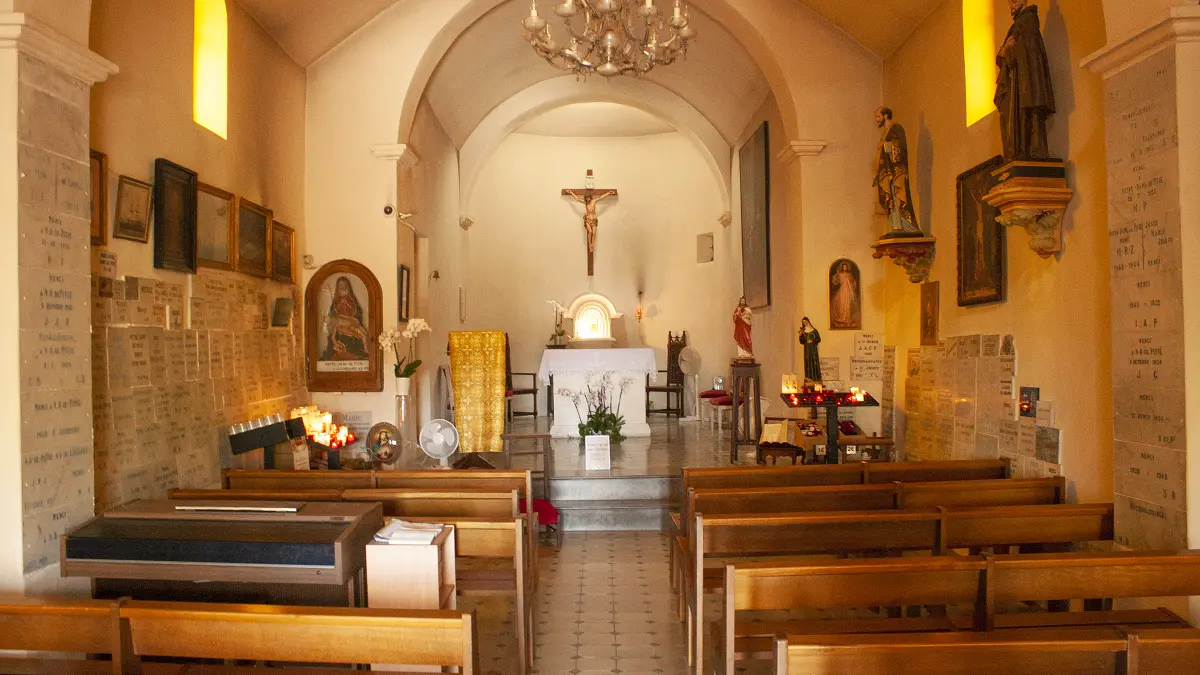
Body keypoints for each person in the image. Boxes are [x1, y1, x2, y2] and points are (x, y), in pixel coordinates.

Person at [995, 0, 1055, 161]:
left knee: (1028, 118)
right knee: (1011, 119)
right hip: (1017, 83)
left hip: (1025, 83)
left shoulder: (1028, 20)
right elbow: (1001, 57)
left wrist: (1008, 51)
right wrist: (1005, 52)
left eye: (1013, 1)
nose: (1011, 7)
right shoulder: (1016, 25)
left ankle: (1028, 152)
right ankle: (1019, 152)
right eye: (1009, 3)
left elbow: (1028, 50)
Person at [873, 106, 921, 237]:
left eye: (878, 117)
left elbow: (900, 148)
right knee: (891, 201)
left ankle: (904, 226)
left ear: (886, 116)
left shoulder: (897, 129)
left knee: (898, 198)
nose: (876, 120)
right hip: (889, 173)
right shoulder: (886, 132)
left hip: (897, 172)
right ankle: (895, 225)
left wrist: (885, 146)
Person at [322, 276, 369, 361]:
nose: (342, 286)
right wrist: (340, 304)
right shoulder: (336, 299)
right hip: (340, 322)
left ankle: (365, 350)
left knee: (363, 334)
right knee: (335, 336)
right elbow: (333, 313)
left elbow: (356, 310)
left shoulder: (351, 298)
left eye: (343, 284)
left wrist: (347, 304)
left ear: (347, 286)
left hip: (351, 321)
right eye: (340, 284)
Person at [830, 262, 860, 329]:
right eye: (843, 267)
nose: (844, 268)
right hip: (842, 290)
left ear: (847, 268)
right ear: (842, 268)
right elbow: (835, 281)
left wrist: (851, 282)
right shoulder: (840, 274)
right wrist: (837, 274)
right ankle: (842, 317)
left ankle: (847, 318)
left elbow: (853, 282)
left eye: (845, 267)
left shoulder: (849, 274)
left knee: (847, 303)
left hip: (848, 291)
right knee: (842, 303)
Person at [799, 317, 822, 383]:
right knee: (808, 361)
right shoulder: (803, 332)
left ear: (808, 321)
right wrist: (800, 335)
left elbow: (818, 339)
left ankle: (816, 378)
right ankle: (809, 378)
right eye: (803, 322)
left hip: (813, 349)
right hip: (807, 350)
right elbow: (801, 341)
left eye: (806, 321)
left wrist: (812, 340)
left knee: (814, 362)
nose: (805, 323)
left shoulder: (814, 331)